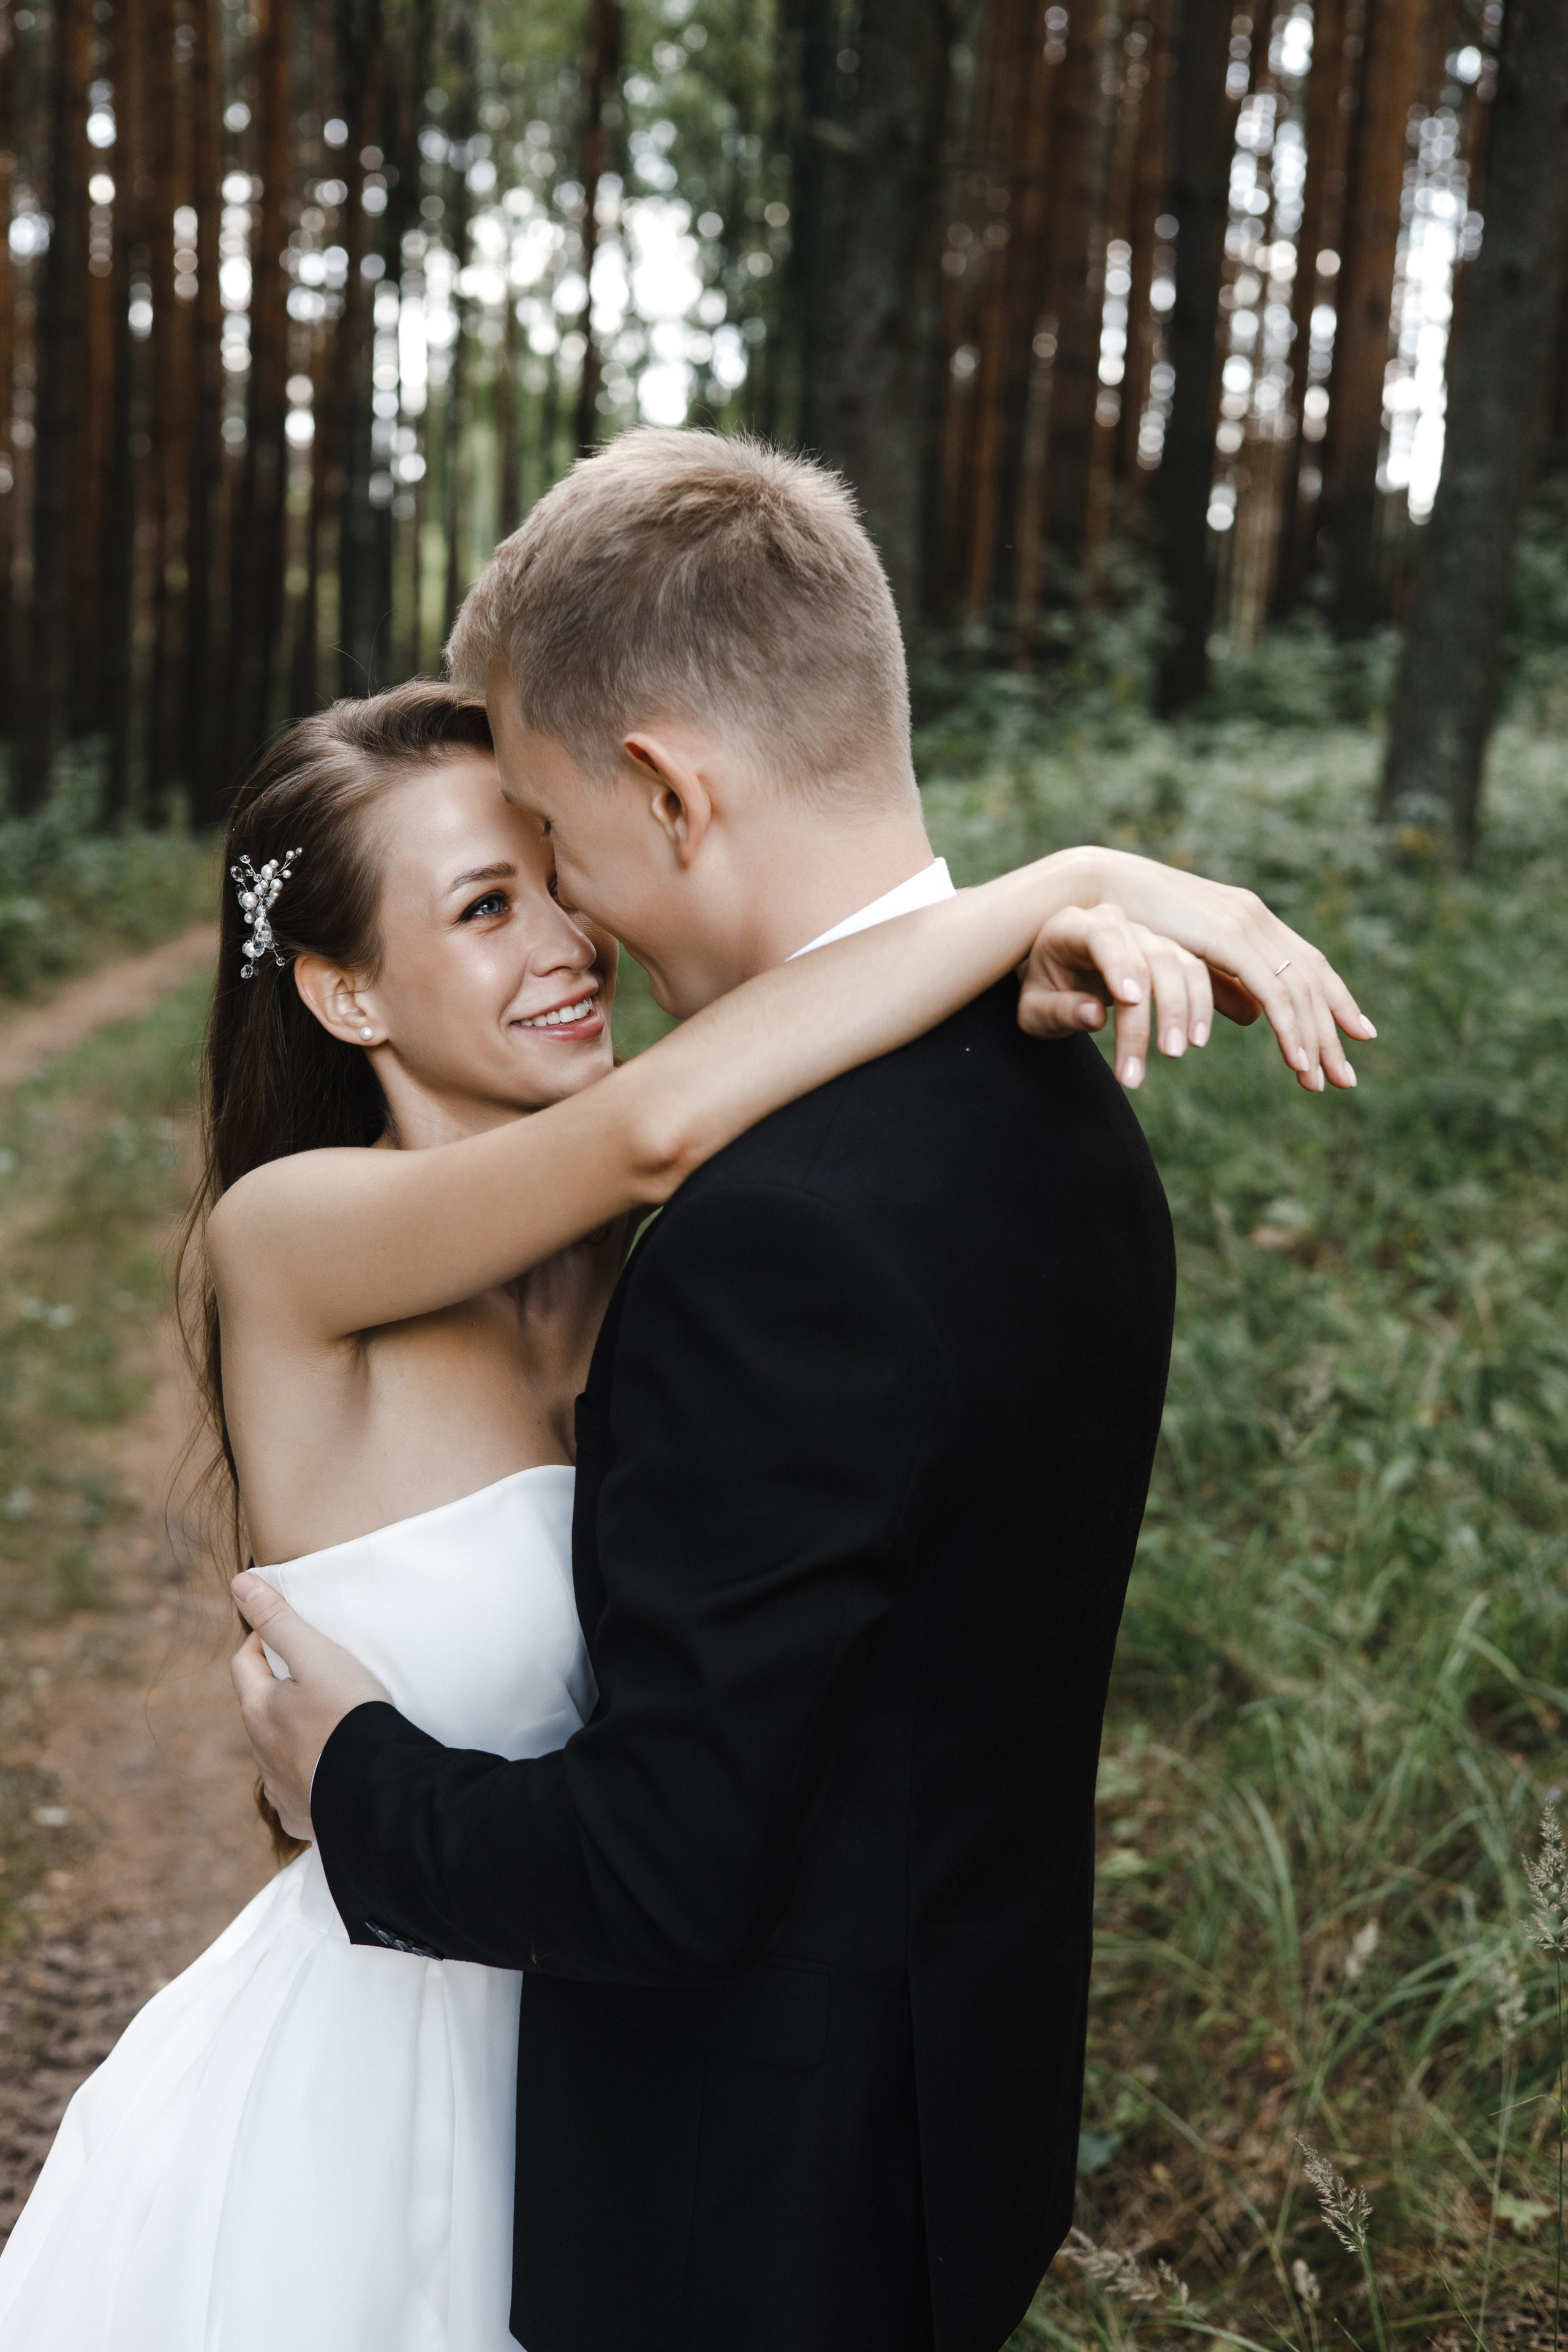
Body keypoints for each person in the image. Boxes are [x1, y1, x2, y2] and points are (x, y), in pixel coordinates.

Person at [213, 432, 1371, 2352]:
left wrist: (344, 1777)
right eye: (491, 903)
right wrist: (1042, 892)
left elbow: (672, 1857)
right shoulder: (1055, 1109)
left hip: (735, 2208)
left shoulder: (766, 1238)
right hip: (908, 2128)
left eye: (554, 855)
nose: (576, 923)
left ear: (665, 785)